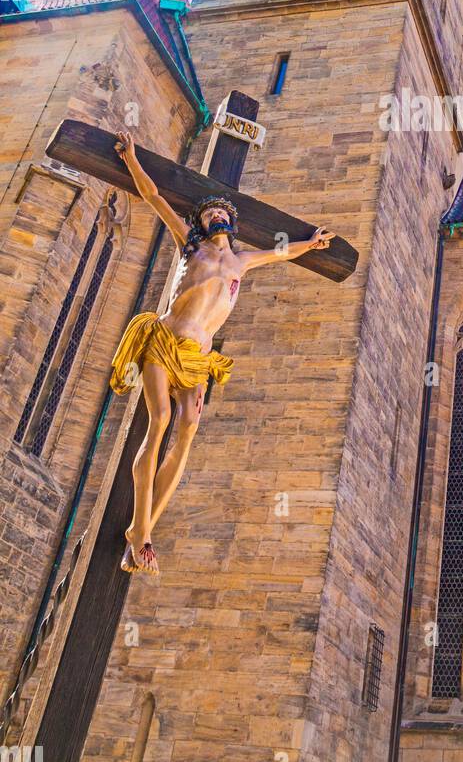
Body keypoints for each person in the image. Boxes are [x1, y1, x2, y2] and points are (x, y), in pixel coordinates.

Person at [110, 130, 334, 575]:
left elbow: (283, 254)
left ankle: (143, 531)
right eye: (209, 212)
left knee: (188, 429)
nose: (215, 215)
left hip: (198, 358)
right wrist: (132, 158)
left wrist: (314, 243)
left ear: (230, 223)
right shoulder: (189, 246)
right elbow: (154, 196)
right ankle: (142, 532)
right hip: (165, 341)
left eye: (221, 212)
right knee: (159, 421)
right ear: (202, 222)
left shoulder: (242, 261)